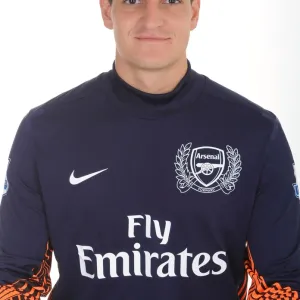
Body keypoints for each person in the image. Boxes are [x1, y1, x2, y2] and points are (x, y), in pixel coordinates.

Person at [0, 0, 299, 298]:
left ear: (194, 11)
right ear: (107, 10)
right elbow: (12, 276)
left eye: (171, 1)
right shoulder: (45, 131)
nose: (151, 18)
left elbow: (285, 280)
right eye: (132, 0)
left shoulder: (256, 133)